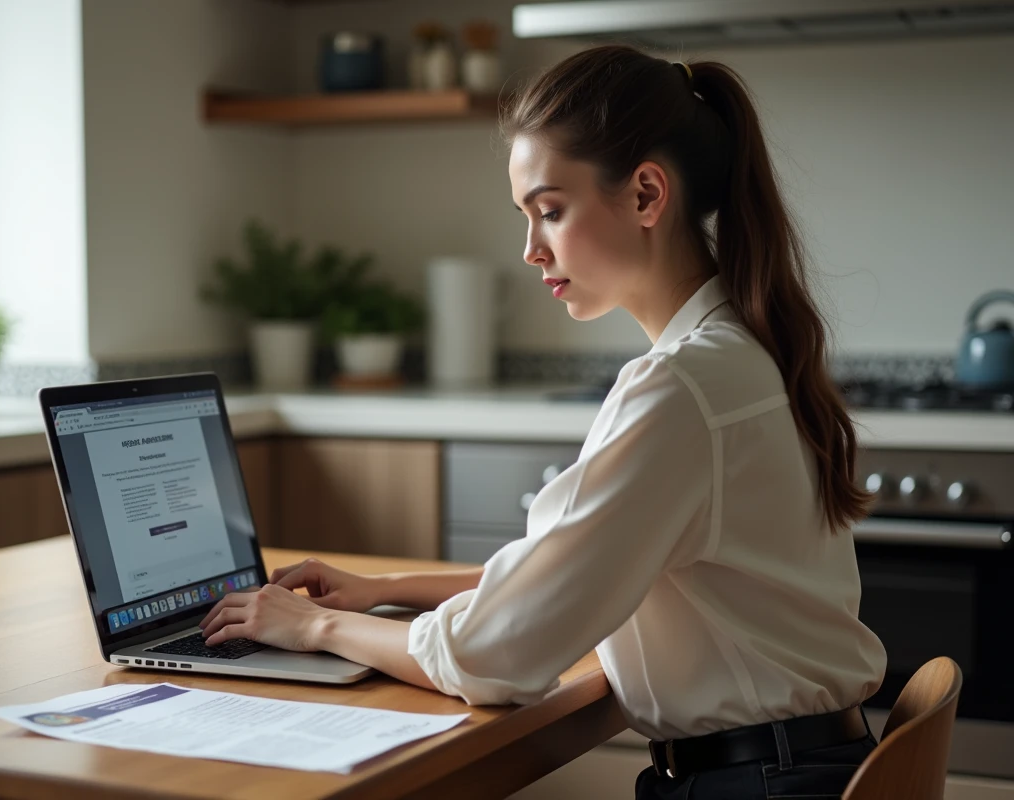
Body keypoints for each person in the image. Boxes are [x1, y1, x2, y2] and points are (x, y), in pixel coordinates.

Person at [200, 44, 887, 799]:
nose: (530, 250)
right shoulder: (738, 352)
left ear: (647, 194)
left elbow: (495, 656)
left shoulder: (681, 388)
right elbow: (574, 569)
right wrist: (383, 589)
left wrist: (310, 629)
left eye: (550, 211)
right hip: (807, 768)